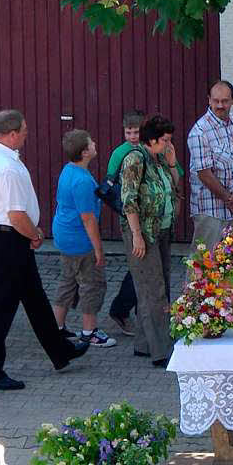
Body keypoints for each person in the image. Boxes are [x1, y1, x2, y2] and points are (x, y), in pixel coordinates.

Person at [0, 109, 89, 390]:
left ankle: (59, 351)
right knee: (2, 306)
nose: (27, 136)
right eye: (25, 131)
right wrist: (35, 233)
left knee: (35, 298)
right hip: (10, 238)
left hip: (5, 237)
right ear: (12, 133)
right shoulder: (4, 167)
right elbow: (16, 215)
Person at [120, 114, 179, 368]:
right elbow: (129, 199)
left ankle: (144, 344)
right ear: (152, 139)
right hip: (143, 232)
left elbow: (173, 187)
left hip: (160, 230)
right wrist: (136, 236)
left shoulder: (158, 159)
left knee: (158, 285)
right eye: (165, 140)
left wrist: (173, 163)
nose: (168, 144)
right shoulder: (135, 159)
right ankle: (161, 350)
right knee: (153, 290)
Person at [51, 129, 117, 349]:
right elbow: (88, 219)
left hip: (64, 237)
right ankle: (89, 332)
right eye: (91, 142)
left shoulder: (68, 170)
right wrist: (98, 249)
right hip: (80, 241)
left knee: (67, 282)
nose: (95, 143)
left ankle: (56, 329)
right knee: (92, 284)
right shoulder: (82, 181)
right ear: (86, 151)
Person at [188, 80, 233, 253]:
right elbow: (204, 174)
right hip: (210, 209)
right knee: (203, 263)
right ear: (209, 100)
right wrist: (229, 199)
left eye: (225, 101)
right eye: (216, 101)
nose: (220, 105)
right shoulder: (199, 132)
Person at [105, 110, 145, 336]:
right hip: (131, 217)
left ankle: (139, 313)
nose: (132, 136)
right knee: (139, 267)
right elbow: (109, 184)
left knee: (146, 268)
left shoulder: (150, 148)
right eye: (128, 132)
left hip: (151, 216)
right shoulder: (119, 153)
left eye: (136, 132)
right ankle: (121, 309)